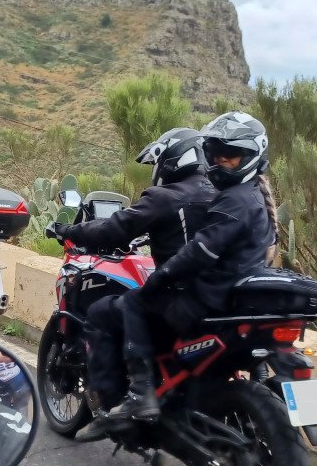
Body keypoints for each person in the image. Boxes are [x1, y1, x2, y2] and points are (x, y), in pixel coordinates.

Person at [108, 111, 277, 422]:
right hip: (237, 296)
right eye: (216, 153)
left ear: (253, 155)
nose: (223, 161)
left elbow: (200, 252)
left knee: (134, 302)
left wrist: (161, 278)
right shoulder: (255, 195)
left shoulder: (234, 200)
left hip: (213, 300)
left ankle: (140, 393)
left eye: (233, 155)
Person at [51, 127, 217, 440]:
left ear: (170, 161)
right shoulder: (221, 194)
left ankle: (118, 404)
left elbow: (113, 230)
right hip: (217, 298)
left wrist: (70, 231)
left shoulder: (164, 197)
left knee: (102, 312)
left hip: (180, 301)